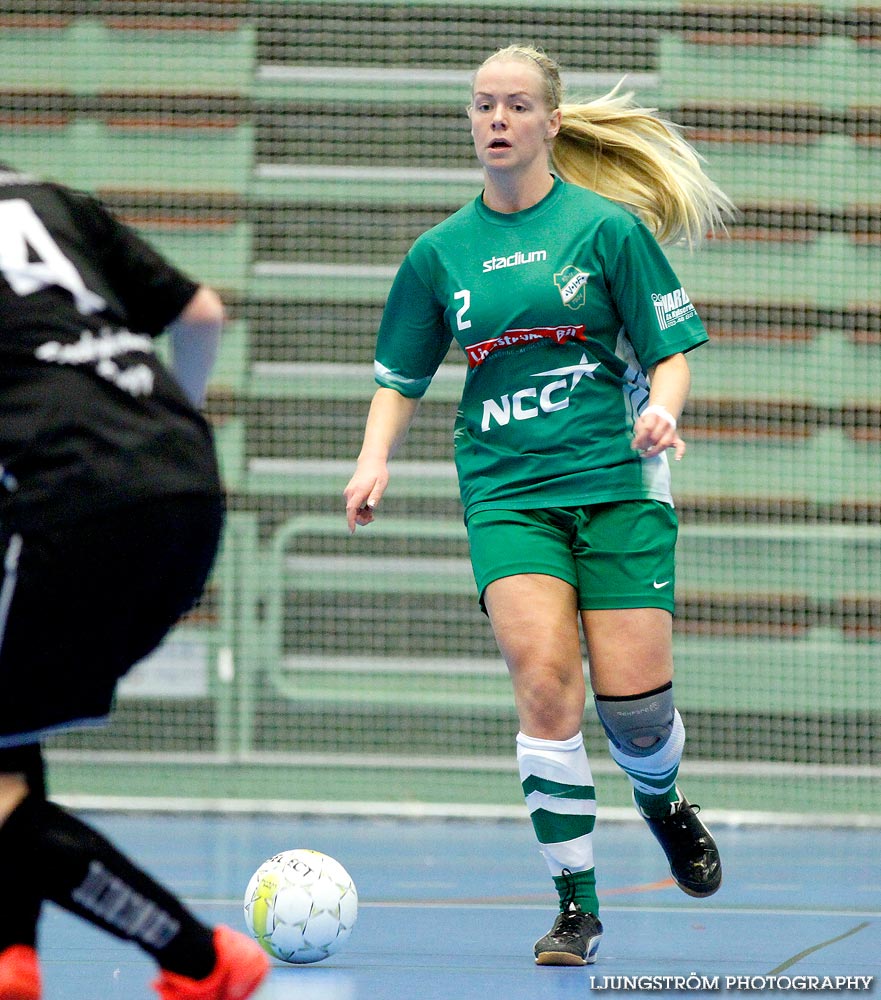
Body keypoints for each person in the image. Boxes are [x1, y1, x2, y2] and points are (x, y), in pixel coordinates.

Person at [344, 45, 734, 966]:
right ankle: (574, 907)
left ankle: (662, 800)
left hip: (615, 481)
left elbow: (670, 350)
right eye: (482, 104)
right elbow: (399, 377)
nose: (496, 119)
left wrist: (664, 413)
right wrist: (371, 462)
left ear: (550, 122)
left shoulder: (606, 231)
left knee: (635, 715)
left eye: (516, 104)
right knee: (544, 683)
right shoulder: (439, 253)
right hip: (507, 490)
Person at [0, 164, 270, 1000]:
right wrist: (163, 440)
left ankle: (200, 959)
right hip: (183, 483)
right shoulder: (41, 196)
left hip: (69, 504)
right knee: (6, 726)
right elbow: (200, 314)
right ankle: (12, 954)